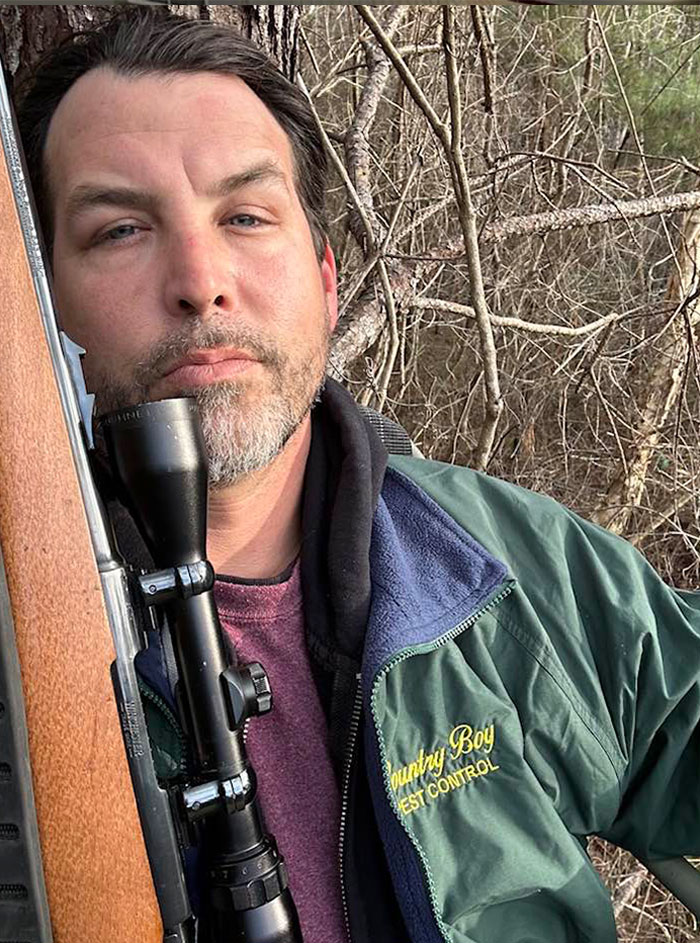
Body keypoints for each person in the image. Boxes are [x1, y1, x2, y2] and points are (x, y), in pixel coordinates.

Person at [15, 9, 700, 943]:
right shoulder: (20, 666)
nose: (200, 278)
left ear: (328, 278)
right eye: (122, 229)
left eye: (246, 215)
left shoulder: (503, 569)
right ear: (37, 312)